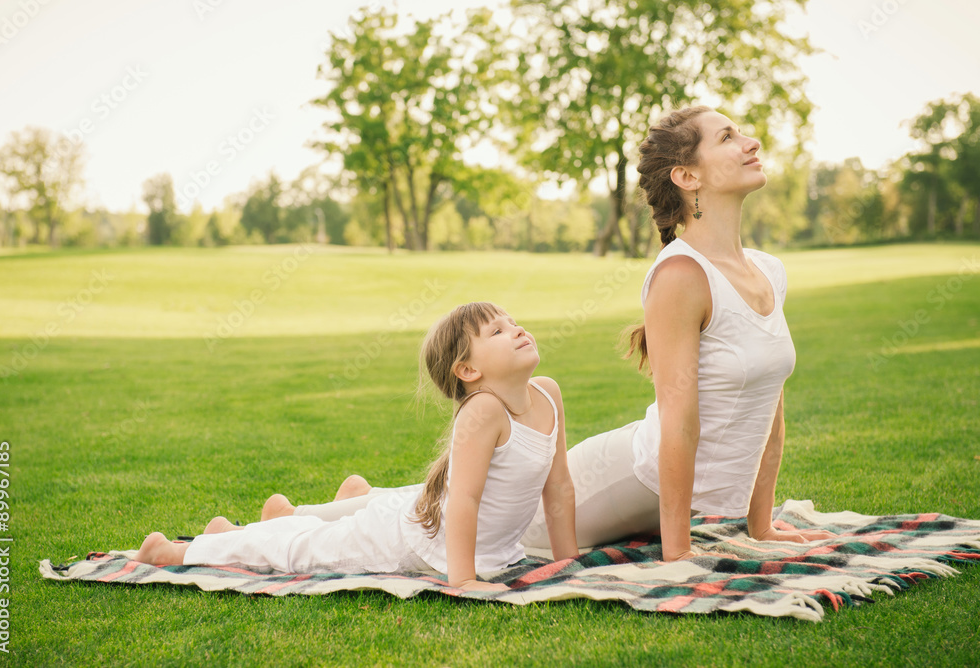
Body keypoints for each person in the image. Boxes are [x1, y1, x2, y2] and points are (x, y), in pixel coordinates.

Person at [259, 106, 835, 561]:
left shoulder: (769, 271)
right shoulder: (682, 275)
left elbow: (769, 406)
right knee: (485, 521)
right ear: (687, 177)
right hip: (630, 479)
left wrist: (760, 524)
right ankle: (303, 519)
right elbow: (679, 418)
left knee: (474, 503)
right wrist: (677, 548)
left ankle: (358, 498)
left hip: (670, 482)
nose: (750, 142)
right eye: (728, 137)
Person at [134, 302, 579, 592]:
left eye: (513, 323)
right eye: (498, 332)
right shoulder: (484, 412)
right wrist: (463, 580)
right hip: (413, 545)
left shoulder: (547, 394)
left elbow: (558, 488)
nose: (517, 330)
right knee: (305, 552)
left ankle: (244, 530)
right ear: (467, 370)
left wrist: (568, 562)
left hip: (492, 552)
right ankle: (180, 551)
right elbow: (464, 500)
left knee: (329, 531)